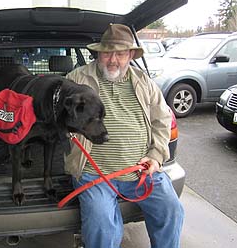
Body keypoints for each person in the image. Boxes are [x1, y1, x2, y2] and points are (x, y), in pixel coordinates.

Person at [65, 24, 184, 248]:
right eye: (107, 52)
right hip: (94, 174)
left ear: (130, 55)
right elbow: (58, 113)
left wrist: (156, 157)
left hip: (140, 171)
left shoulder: (144, 81)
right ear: (99, 53)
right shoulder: (76, 79)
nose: (113, 60)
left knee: (172, 210)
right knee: (102, 227)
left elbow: (162, 120)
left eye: (120, 53)